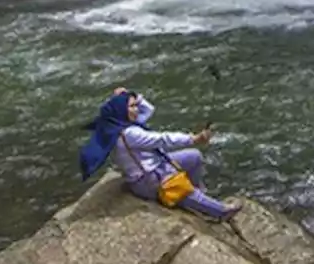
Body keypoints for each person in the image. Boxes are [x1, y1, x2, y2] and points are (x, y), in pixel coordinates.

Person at [78, 87, 241, 221]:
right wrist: (193, 138)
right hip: (146, 180)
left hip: (158, 166)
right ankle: (220, 211)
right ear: (121, 111)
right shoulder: (129, 134)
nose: (137, 109)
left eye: (135, 105)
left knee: (194, 157)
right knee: (182, 190)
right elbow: (162, 140)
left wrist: (132, 95)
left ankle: (198, 193)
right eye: (132, 106)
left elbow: (149, 109)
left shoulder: (121, 124)